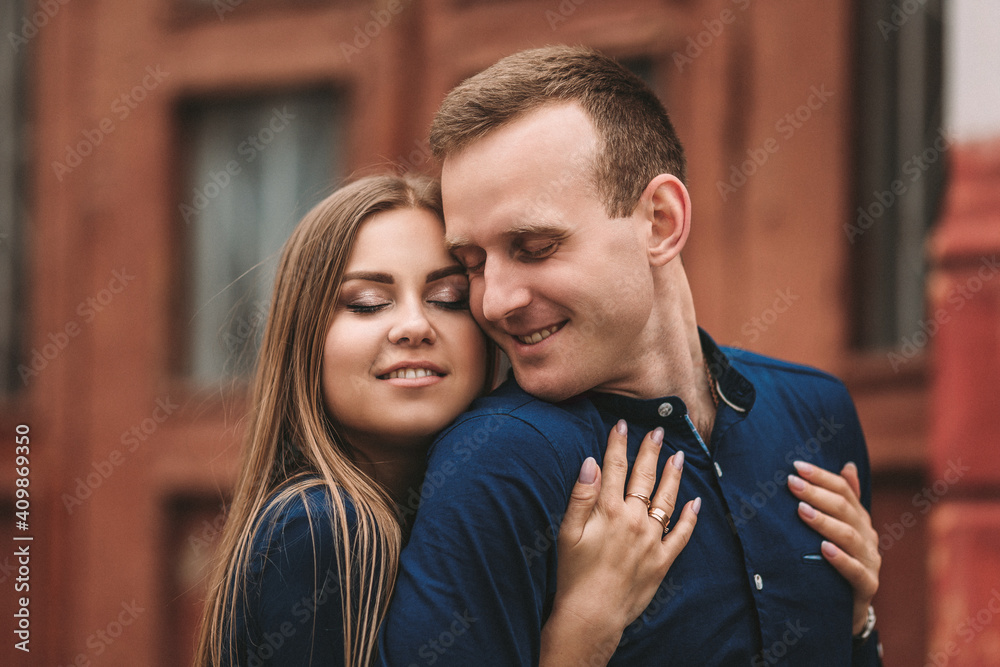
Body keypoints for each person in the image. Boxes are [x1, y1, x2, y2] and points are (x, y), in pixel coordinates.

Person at [377, 46, 883, 665]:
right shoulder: (500, 462)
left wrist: (858, 621)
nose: (496, 302)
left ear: (661, 222)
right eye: (472, 265)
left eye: (534, 247)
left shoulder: (816, 409)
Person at [194, 174, 701, 666]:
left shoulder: (458, 504)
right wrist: (584, 630)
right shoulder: (319, 528)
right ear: (303, 341)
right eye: (368, 304)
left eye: (448, 300)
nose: (415, 326)